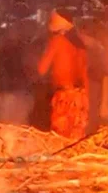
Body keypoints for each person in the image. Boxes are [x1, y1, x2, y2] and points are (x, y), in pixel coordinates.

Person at [37, 10, 89, 140]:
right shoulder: (80, 44)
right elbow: (85, 74)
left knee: (60, 139)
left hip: (64, 98)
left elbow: (41, 69)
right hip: (79, 97)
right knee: (76, 140)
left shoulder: (57, 41)